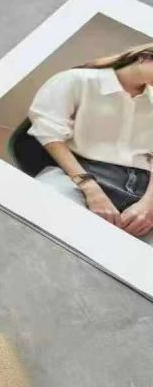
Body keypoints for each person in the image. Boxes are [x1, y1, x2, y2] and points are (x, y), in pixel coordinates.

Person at [28, 43, 153, 241]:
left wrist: (148, 205)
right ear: (144, 57)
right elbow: (49, 134)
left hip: (146, 189)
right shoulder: (76, 80)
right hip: (79, 175)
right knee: (47, 223)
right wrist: (89, 187)